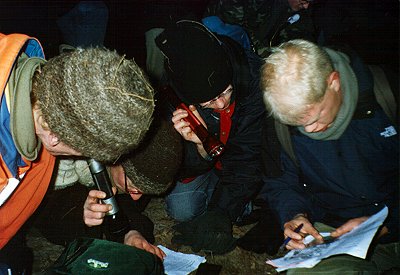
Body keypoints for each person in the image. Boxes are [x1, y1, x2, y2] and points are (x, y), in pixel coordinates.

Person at [0, 33, 154, 273]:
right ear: (55, 136)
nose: (86, 159)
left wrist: (125, 230)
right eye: (84, 152)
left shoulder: (47, 106)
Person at [260, 39, 399, 273]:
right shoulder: (281, 124)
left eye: (315, 118)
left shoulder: (390, 95)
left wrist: (387, 224)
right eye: (298, 124)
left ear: (333, 82)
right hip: (336, 234)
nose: (310, 130)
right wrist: (295, 214)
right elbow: (281, 181)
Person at [154, 20, 273, 255]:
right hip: (210, 166)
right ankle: (236, 198)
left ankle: (237, 199)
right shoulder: (172, 95)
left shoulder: (255, 81)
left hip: (244, 160)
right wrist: (198, 146)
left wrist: (221, 211)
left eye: (226, 91)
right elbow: (175, 167)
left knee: (245, 191)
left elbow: (249, 155)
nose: (221, 104)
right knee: (182, 209)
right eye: (208, 102)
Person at [83, 116, 183, 260]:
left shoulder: (144, 175)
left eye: (143, 191)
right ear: (116, 159)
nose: (137, 197)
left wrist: (131, 233)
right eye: (133, 187)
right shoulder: (81, 162)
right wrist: (84, 216)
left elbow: (126, 206)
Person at [204, 0, 316, 57]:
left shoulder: (299, 12)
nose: (306, 6)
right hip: (215, 36)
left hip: (253, 47)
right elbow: (234, 29)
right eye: (305, 0)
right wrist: (263, 51)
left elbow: (299, 36)